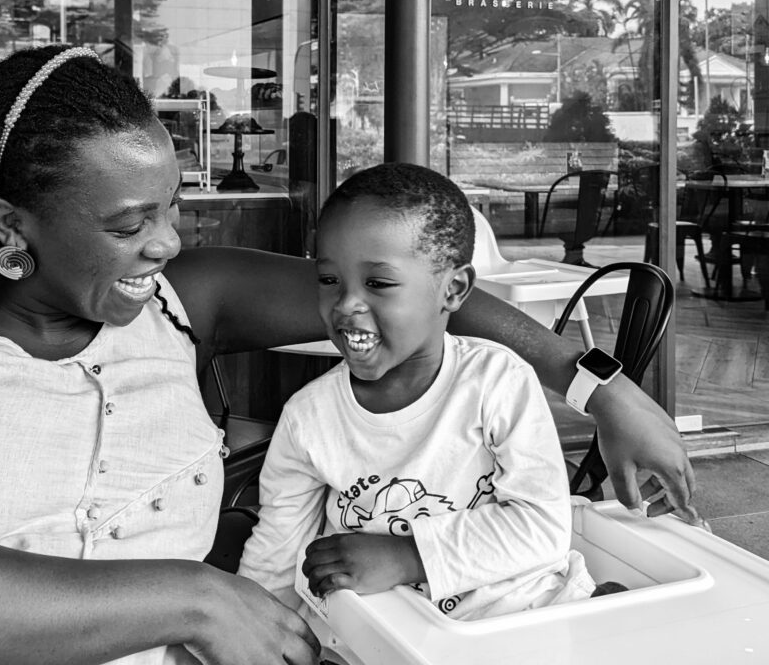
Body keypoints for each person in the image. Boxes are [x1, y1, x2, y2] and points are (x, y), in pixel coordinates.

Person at [0, 44, 700, 665]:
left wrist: (603, 388)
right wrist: (197, 596)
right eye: (129, 224)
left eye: (174, 208)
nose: (166, 242)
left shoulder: (185, 300)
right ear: (11, 223)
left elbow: (417, 297)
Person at [238, 164, 624, 620]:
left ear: (453, 289)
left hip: (533, 619)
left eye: (378, 283)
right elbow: (276, 553)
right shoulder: (308, 416)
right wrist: (249, 630)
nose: (346, 304)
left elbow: (543, 528)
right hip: (398, 644)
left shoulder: (496, 381)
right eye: (328, 280)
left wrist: (409, 556)